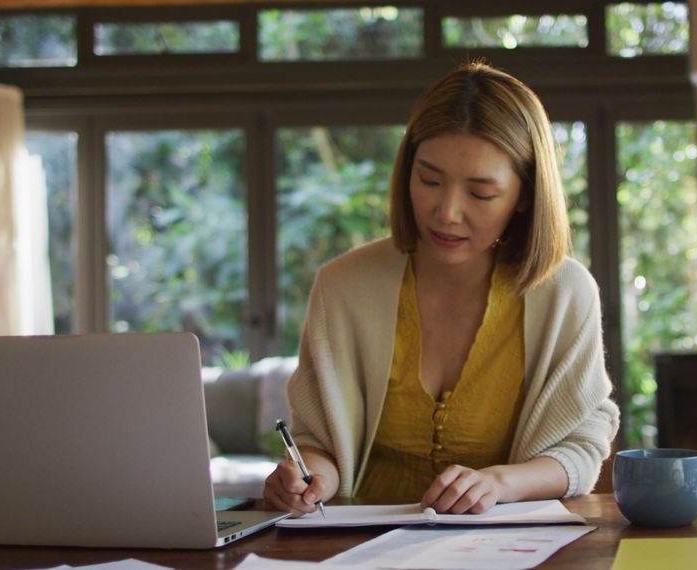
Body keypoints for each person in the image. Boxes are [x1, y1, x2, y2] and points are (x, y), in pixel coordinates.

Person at [263, 61, 619, 516]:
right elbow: (319, 444)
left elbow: (582, 449)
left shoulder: (565, 293)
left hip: (508, 547)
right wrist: (308, 480)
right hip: (358, 544)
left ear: (525, 195)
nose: (447, 212)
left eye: (481, 193)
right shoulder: (342, 287)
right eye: (429, 180)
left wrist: (499, 483)